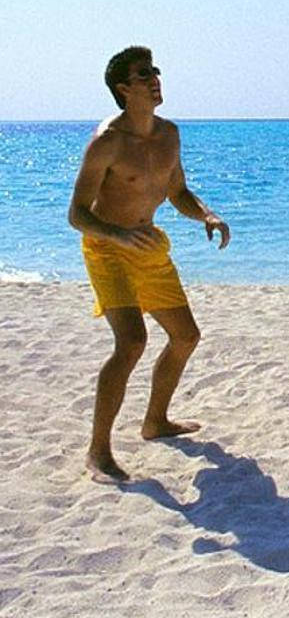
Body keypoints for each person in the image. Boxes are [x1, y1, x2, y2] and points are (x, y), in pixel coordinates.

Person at [68, 46, 230, 482]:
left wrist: (207, 214)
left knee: (186, 336)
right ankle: (98, 452)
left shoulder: (169, 135)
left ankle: (155, 422)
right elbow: (77, 214)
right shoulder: (107, 142)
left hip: (148, 246)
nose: (155, 79)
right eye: (144, 74)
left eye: (155, 71)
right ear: (124, 89)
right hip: (107, 247)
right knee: (132, 341)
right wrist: (117, 234)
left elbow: (178, 192)